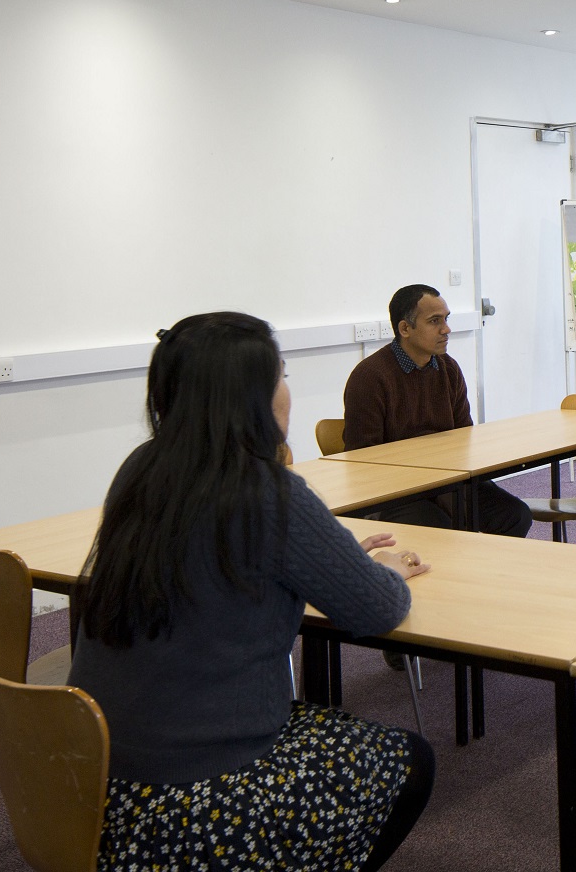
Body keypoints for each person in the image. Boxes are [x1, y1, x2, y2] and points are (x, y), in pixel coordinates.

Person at [68, 311, 434, 870]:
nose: (288, 390)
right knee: (409, 760)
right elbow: (378, 608)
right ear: (250, 397)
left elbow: (214, 566)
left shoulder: (139, 469)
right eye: (281, 375)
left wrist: (330, 560)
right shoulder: (267, 491)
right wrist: (387, 568)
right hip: (198, 800)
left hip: (94, 777)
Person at [341, 283, 532, 538]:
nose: (446, 329)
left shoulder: (448, 369)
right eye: (434, 321)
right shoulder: (370, 377)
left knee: (514, 515)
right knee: (441, 528)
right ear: (405, 328)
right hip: (395, 491)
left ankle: (483, 575)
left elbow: (465, 436)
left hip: (447, 480)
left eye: (446, 319)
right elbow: (362, 459)